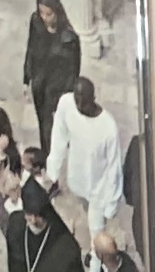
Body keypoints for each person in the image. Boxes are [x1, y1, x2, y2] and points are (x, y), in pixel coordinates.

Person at [41, 74, 122, 244]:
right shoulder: (66, 104)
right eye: (76, 100)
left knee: (97, 232)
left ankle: (97, 258)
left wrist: (111, 204)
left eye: (83, 102)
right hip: (76, 178)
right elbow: (59, 137)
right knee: (79, 213)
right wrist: (52, 171)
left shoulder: (108, 128)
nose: (79, 106)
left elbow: (113, 168)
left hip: (98, 187)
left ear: (93, 98)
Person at [20, 0, 80, 132]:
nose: (45, 18)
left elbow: (73, 71)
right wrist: (26, 79)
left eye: (49, 14)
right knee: (43, 123)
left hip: (56, 89)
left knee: (52, 127)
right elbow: (31, 49)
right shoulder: (36, 22)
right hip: (39, 84)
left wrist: (65, 98)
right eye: (42, 13)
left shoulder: (69, 38)